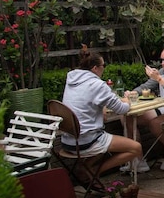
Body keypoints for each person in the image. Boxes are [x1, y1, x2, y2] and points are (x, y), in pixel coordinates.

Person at [61, 48, 142, 176]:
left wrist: (101, 109)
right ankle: (94, 171)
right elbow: (121, 109)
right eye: (103, 65)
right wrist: (127, 100)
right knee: (136, 148)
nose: (104, 68)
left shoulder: (72, 81)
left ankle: (86, 167)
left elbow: (83, 102)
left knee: (106, 136)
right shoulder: (97, 84)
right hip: (86, 141)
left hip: (68, 141)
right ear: (95, 68)